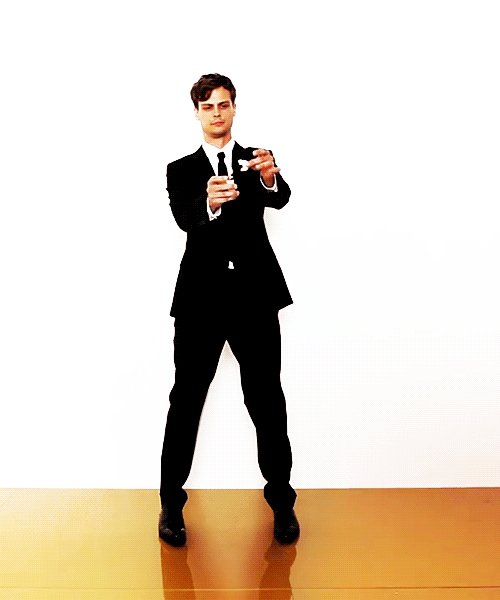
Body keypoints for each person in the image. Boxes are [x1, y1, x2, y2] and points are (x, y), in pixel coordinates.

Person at [159, 73, 299, 546]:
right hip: (200, 301)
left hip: (254, 298)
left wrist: (269, 176)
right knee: (186, 401)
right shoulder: (180, 169)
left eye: (224, 104)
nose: (216, 113)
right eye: (208, 106)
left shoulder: (257, 159)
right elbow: (184, 218)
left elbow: (280, 197)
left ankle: (282, 502)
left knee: (266, 399)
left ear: (235, 108)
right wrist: (209, 204)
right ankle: (170, 505)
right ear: (197, 113)